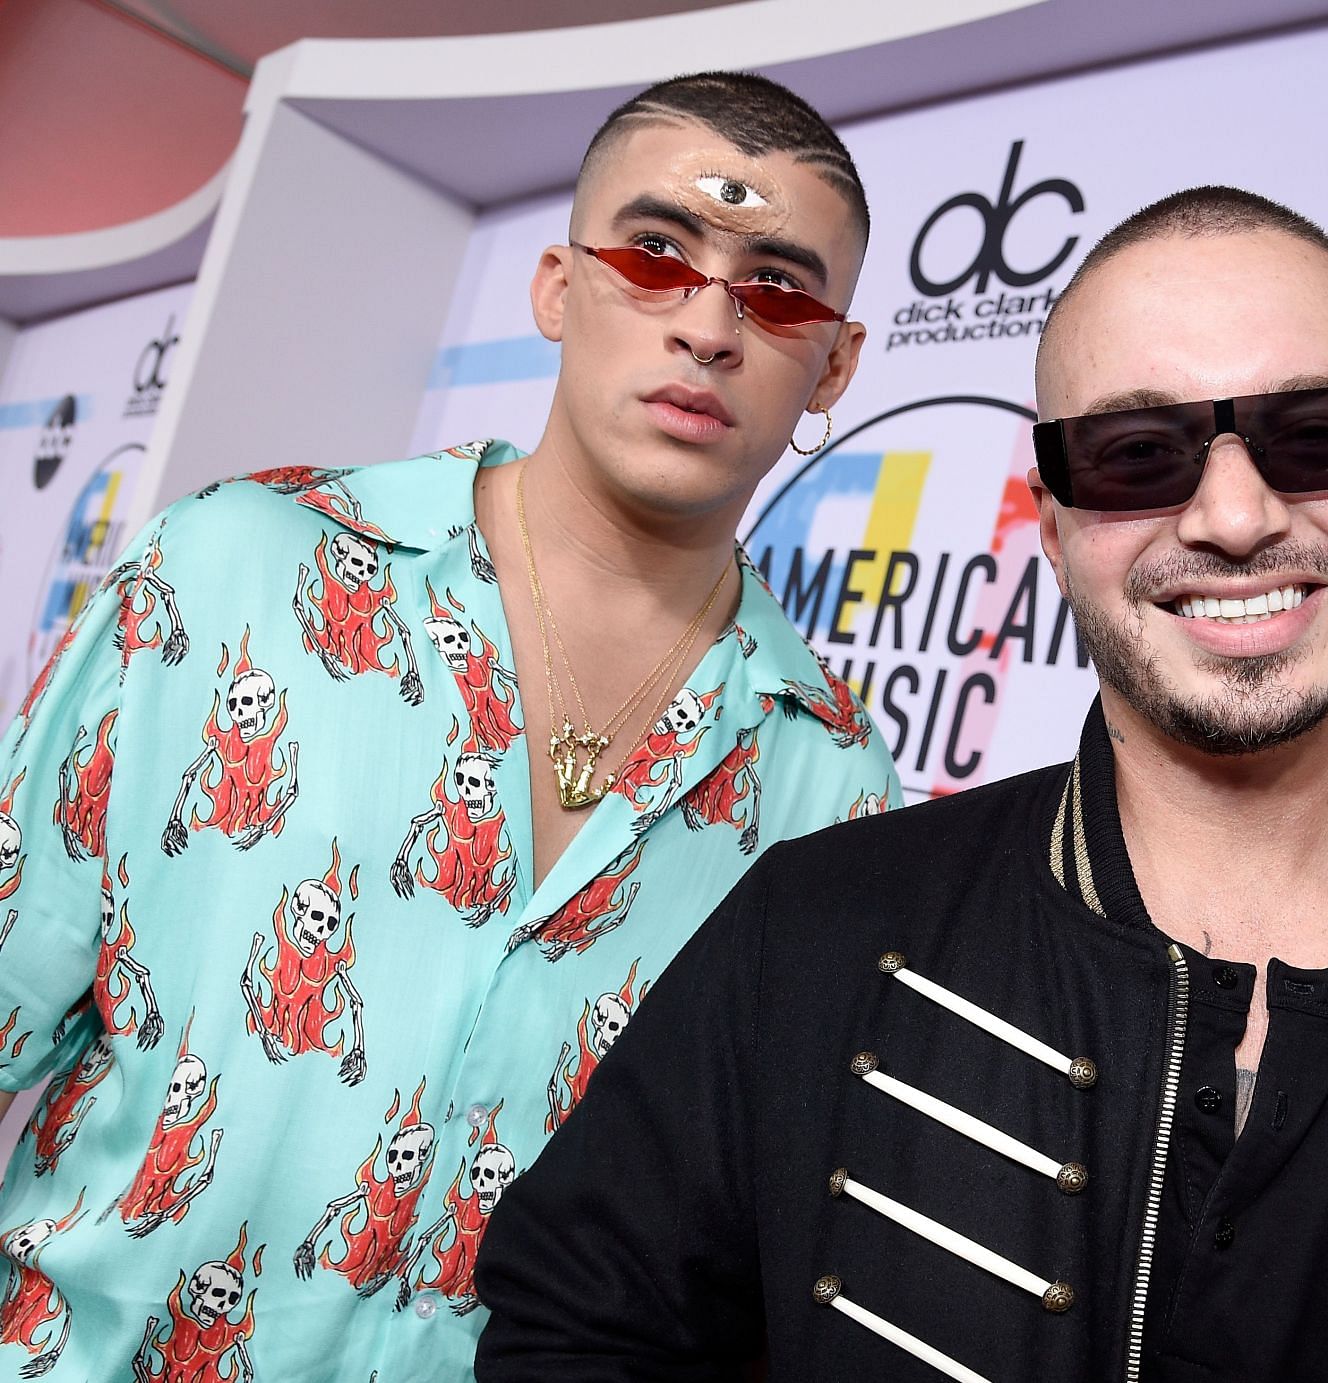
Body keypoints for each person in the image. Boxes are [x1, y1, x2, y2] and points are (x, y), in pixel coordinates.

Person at [474, 186, 1328, 1382]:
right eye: (1138, 453)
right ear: (1050, 525)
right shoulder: (819, 932)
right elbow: (574, 1328)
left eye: (1316, 433)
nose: (1232, 517)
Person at [0, 71, 897, 1380]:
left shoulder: (832, 788)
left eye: (776, 288)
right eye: (655, 254)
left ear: (837, 363)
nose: (709, 327)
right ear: (555, 286)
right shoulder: (233, 573)